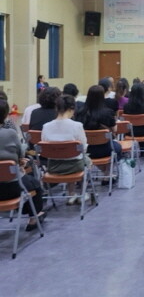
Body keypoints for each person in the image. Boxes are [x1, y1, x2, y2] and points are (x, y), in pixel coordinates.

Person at [0, 99, 45, 231]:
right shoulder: (10, 133)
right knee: (35, 184)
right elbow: (20, 154)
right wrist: (20, 160)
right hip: (12, 186)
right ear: (5, 115)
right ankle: (33, 217)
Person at [41, 95, 88, 203]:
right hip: (75, 166)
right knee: (85, 160)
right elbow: (83, 148)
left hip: (53, 167)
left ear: (56, 108)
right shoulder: (77, 126)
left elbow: (44, 148)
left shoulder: (46, 126)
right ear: (72, 109)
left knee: (68, 155)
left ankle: (71, 193)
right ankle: (82, 193)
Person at [74, 85, 123, 181]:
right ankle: (107, 173)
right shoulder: (107, 112)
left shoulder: (80, 112)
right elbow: (115, 130)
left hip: (86, 149)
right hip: (105, 148)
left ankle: (106, 173)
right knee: (117, 148)